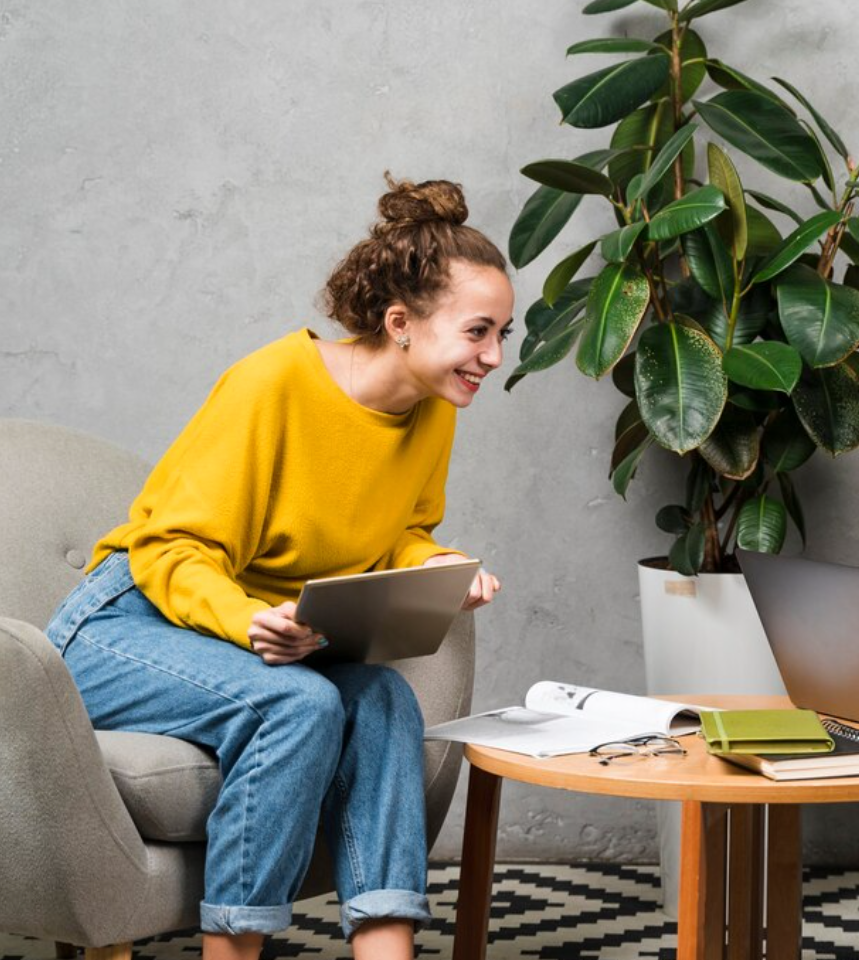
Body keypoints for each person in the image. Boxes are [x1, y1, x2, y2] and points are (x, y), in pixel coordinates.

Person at [44, 176, 512, 960]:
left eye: (502, 333)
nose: (493, 357)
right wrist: (248, 620)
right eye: (478, 332)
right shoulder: (272, 383)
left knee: (386, 704)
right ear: (400, 322)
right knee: (297, 706)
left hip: (248, 635)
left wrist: (438, 562)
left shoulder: (432, 406)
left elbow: (402, 529)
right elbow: (170, 550)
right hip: (121, 627)